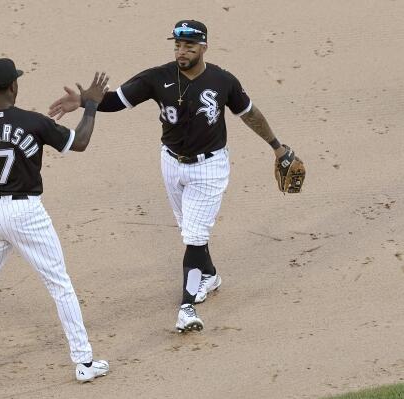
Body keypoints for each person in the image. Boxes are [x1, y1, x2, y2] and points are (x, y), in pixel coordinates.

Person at [48, 20, 300, 332]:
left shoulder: (223, 81)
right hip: (171, 162)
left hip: (209, 168)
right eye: (178, 45)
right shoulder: (157, 77)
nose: (181, 52)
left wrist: (277, 147)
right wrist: (88, 101)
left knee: (193, 237)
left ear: (203, 47)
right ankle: (210, 276)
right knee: (190, 232)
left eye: (189, 46)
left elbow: (249, 113)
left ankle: (187, 308)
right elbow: (117, 101)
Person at [0, 58, 110, 383]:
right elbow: (79, 142)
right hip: (27, 214)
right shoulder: (33, 122)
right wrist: (91, 106)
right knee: (59, 284)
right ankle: (84, 362)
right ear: (14, 86)